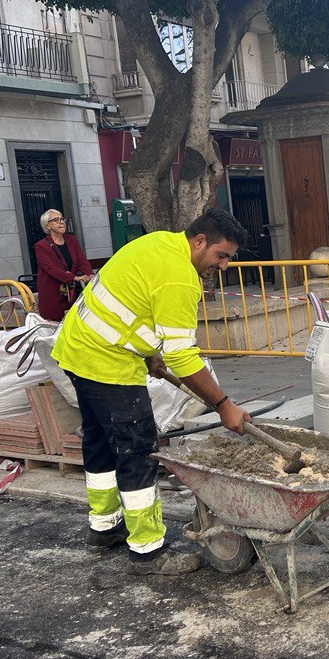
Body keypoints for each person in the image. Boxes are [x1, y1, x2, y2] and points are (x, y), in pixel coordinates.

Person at [52, 208, 251, 575]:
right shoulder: (180, 278)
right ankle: (147, 551)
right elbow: (183, 356)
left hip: (76, 349)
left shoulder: (160, 242)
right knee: (137, 450)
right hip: (106, 364)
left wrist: (149, 356)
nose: (223, 266)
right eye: (221, 256)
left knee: (99, 443)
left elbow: (133, 306)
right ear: (200, 241)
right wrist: (223, 405)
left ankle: (105, 527)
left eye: (228, 259)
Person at [33, 209, 93, 321]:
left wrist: (90, 275)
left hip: (72, 294)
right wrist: (74, 277)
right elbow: (50, 268)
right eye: (56, 220)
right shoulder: (41, 246)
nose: (61, 222)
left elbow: (82, 261)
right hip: (53, 295)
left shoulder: (72, 240)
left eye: (62, 219)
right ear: (48, 226)